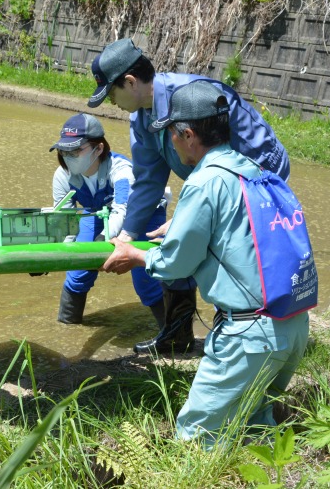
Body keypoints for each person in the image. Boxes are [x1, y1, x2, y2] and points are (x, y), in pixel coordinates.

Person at [101, 80, 310, 446]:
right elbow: (239, 228)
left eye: (171, 134)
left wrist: (136, 256)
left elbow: (176, 264)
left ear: (189, 135)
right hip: (293, 324)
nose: (170, 143)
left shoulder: (203, 182)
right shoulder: (253, 169)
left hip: (249, 336)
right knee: (256, 425)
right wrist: (181, 224)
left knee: (195, 438)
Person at [87, 38, 290, 355]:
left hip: (260, 173)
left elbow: (253, 159)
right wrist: (125, 236)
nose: (111, 101)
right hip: (210, 182)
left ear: (129, 82)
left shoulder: (201, 98)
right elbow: (148, 181)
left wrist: (198, 216)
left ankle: (239, 327)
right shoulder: (141, 119)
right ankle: (177, 337)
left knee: (229, 246)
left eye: (111, 93)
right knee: (176, 239)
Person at [49, 113, 165, 325]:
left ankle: (174, 334)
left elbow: (123, 211)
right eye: (63, 151)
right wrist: (51, 257)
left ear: (98, 148)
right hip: (97, 213)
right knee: (77, 271)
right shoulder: (62, 176)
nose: (67, 156)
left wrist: (99, 244)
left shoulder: (121, 170)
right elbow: (65, 222)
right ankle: (67, 327)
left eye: (75, 150)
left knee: (146, 279)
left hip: (141, 216)